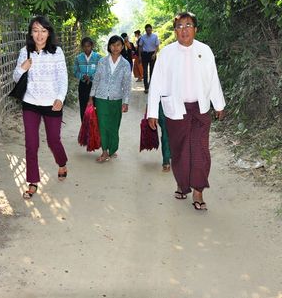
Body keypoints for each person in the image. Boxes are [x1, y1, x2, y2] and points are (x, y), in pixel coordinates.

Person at [147, 12, 226, 211]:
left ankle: (198, 191)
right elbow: (156, 83)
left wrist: (218, 104)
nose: (184, 30)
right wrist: (152, 112)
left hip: (200, 109)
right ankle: (182, 185)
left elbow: (213, 78)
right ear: (175, 31)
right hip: (176, 110)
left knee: (200, 150)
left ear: (195, 29)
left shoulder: (205, 50)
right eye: (180, 26)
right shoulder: (167, 53)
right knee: (180, 150)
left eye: (188, 25)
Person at [13, 16, 69, 199]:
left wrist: (60, 98)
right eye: (36, 30)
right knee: (31, 144)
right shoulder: (25, 52)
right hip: (30, 103)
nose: (39, 35)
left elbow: (63, 78)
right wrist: (22, 68)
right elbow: (16, 77)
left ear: (49, 33)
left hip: (52, 104)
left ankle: (62, 162)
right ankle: (32, 182)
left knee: (53, 140)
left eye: (43, 31)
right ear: (31, 33)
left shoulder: (57, 52)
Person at [88, 35, 132, 163]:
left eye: (118, 45)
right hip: (101, 98)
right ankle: (104, 151)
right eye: (113, 45)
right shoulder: (102, 61)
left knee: (114, 125)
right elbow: (96, 79)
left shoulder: (125, 64)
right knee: (102, 125)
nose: (115, 47)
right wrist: (91, 96)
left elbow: (127, 84)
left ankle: (112, 148)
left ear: (122, 47)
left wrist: (126, 102)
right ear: (109, 46)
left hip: (116, 99)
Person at [73, 37, 101, 121]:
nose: (86, 48)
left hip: (95, 85)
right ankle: (84, 126)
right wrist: (83, 76)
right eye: (84, 46)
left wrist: (91, 77)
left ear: (92, 46)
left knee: (95, 107)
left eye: (88, 46)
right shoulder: (78, 58)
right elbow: (75, 72)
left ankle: (95, 127)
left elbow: (100, 71)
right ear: (82, 47)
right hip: (83, 85)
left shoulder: (98, 57)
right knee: (83, 107)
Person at [137, 24, 160, 93]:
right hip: (144, 55)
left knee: (152, 71)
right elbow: (140, 47)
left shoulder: (155, 36)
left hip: (152, 54)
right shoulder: (143, 37)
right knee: (145, 72)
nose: (148, 32)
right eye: (147, 30)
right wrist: (140, 56)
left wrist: (154, 54)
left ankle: (151, 86)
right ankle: (146, 87)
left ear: (151, 29)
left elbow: (157, 46)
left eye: (149, 30)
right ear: (145, 30)